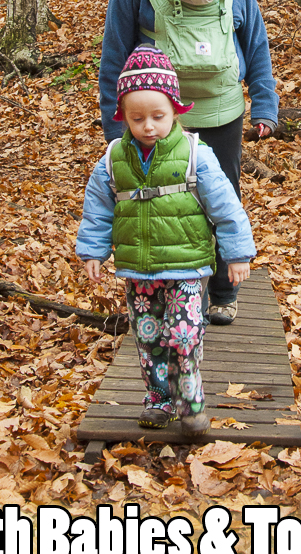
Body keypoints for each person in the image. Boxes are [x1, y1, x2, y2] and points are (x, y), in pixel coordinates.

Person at [99, 0, 278, 326]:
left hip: (222, 111)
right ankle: (164, 295)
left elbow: (254, 41)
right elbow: (113, 59)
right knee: (159, 204)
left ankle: (223, 291)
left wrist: (265, 103)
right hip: (158, 121)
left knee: (222, 198)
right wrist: (116, 130)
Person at [77, 45, 256, 438]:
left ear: (175, 110)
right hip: (138, 271)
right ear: (123, 116)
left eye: (158, 116)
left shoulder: (196, 155)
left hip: (187, 265)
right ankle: (158, 399)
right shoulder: (112, 159)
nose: (148, 126)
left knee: (184, 332)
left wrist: (237, 252)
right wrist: (93, 249)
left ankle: (190, 401)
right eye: (137, 118)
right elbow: (99, 207)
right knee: (148, 335)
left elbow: (226, 206)